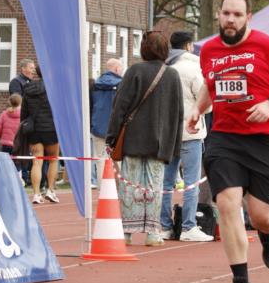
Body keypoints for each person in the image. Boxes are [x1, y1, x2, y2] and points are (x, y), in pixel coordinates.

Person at [187, 0, 269, 283]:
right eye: (226, 13)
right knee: (227, 203)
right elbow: (211, 87)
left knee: (262, 215)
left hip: (264, 137)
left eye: (237, 15)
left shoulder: (267, 45)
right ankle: (241, 282)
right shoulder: (209, 49)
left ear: (248, 17)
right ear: (219, 15)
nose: (230, 20)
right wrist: (198, 110)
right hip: (225, 137)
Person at [106, 30, 183, 247]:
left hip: (133, 138)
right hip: (160, 141)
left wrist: (111, 137)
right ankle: (153, 232)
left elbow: (120, 106)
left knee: (130, 185)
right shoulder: (172, 74)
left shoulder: (134, 71)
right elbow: (178, 113)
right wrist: (174, 145)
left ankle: (126, 232)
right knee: (154, 186)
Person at [160, 31, 212, 243]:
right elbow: (205, 102)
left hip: (167, 133)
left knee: (166, 182)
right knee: (191, 182)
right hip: (190, 132)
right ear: (189, 45)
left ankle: (164, 226)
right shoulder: (194, 68)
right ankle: (189, 226)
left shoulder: (164, 67)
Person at [21, 67, 60, 204]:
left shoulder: (28, 88)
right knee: (53, 159)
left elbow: (24, 112)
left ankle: (36, 194)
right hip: (51, 128)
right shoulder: (54, 88)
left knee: (36, 161)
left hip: (34, 128)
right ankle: (50, 190)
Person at [90, 58, 124, 189]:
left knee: (100, 160)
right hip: (116, 128)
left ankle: (102, 189)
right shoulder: (122, 84)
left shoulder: (95, 84)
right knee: (118, 159)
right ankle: (121, 189)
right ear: (116, 69)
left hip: (98, 127)